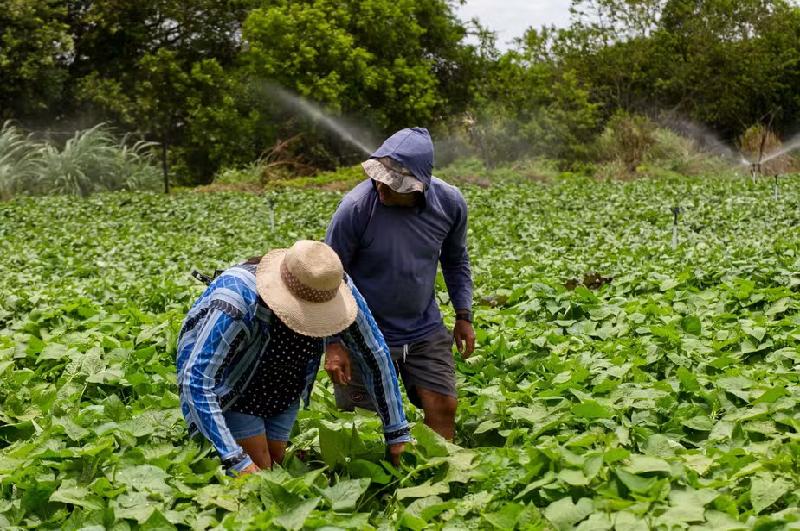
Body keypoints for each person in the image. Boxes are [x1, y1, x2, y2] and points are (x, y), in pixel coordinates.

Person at [176, 240, 410, 475]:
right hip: (232, 381)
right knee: (256, 472)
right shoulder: (236, 299)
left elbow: (375, 354)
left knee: (276, 459)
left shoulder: (331, 285)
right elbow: (196, 380)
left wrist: (397, 433)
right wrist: (235, 459)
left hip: (287, 376)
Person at [325, 127, 475, 440]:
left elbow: (455, 260)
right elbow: (329, 277)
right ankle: (381, 487)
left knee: (443, 405)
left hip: (424, 326)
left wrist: (464, 315)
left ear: (419, 186)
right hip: (362, 331)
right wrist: (334, 343)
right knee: (367, 425)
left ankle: (437, 480)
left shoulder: (449, 204)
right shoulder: (355, 209)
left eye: (393, 184)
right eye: (378, 177)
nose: (381, 187)